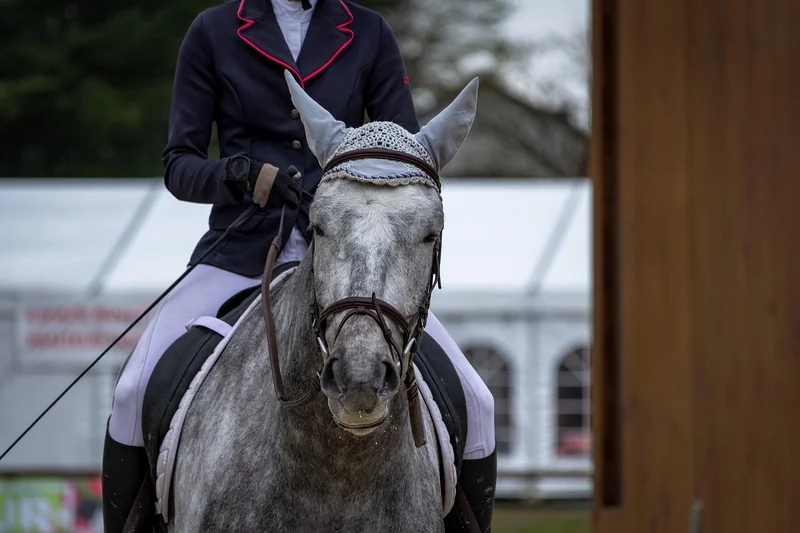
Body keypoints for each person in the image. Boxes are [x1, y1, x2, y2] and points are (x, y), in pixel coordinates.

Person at [101, 0, 496, 531]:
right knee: (131, 392)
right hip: (240, 250)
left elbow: (404, 156)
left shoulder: (368, 32)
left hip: (350, 257)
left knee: (479, 402)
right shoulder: (213, 31)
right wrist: (241, 173)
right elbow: (179, 165)